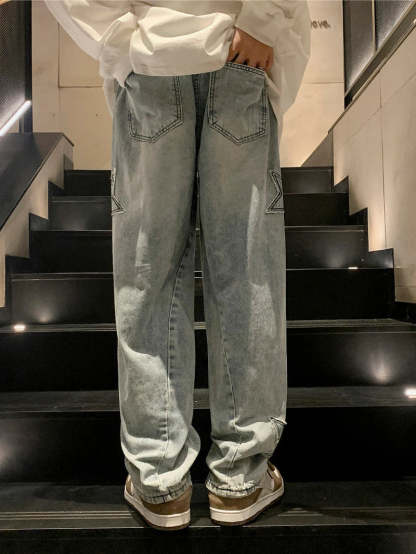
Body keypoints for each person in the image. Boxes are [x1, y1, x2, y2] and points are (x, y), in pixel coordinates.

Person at [44, 0, 311, 531]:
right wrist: (264, 19)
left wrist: (122, 40)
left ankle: (160, 480)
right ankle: (240, 477)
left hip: (152, 58)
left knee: (149, 278)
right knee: (246, 276)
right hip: (241, 51)